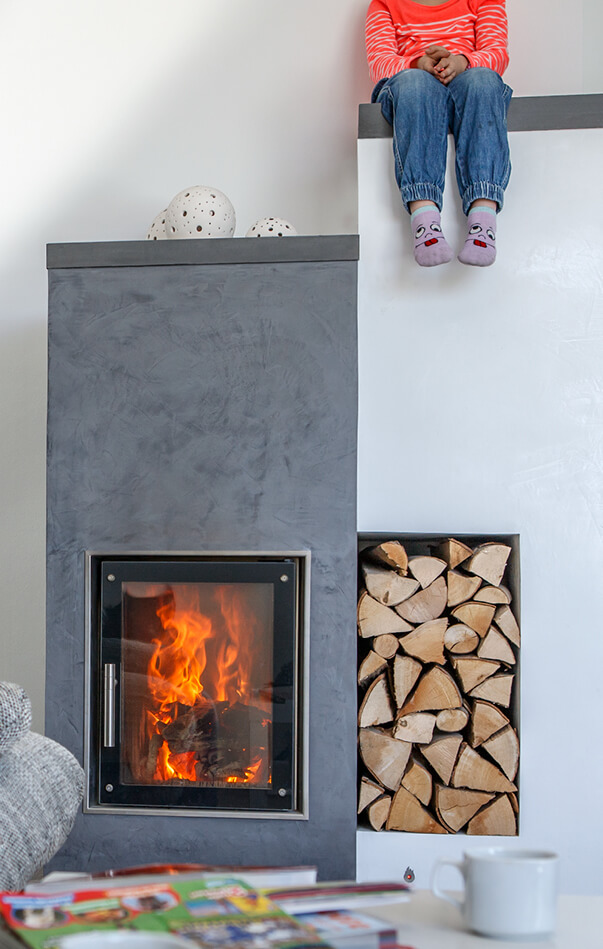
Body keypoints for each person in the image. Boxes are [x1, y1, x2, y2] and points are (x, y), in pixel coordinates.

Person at [366, 0, 512, 267]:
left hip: (468, 83)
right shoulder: (385, 5)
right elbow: (380, 63)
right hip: (412, 87)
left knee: (483, 80)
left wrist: (462, 61)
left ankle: (483, 219)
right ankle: (425, 221)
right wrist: (418, 62)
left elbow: (497, 54)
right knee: (414, 84)